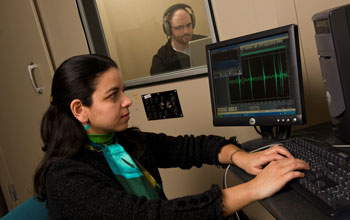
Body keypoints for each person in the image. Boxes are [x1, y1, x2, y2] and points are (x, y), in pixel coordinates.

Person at [34, 54, 309, 219]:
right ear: (80, 110)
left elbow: (193, 147)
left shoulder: (124, 142)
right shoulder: (66, 178)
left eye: (123, 90)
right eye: (112, 95)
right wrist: (253, 188)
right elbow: (150, 217)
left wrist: (243, 157)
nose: (127, 101)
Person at [150, 4, 207, 75]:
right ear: (168, 29)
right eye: (179, 27)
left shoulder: (206, 43)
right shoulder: (161, 60)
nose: (186, 31)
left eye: (188, 25)